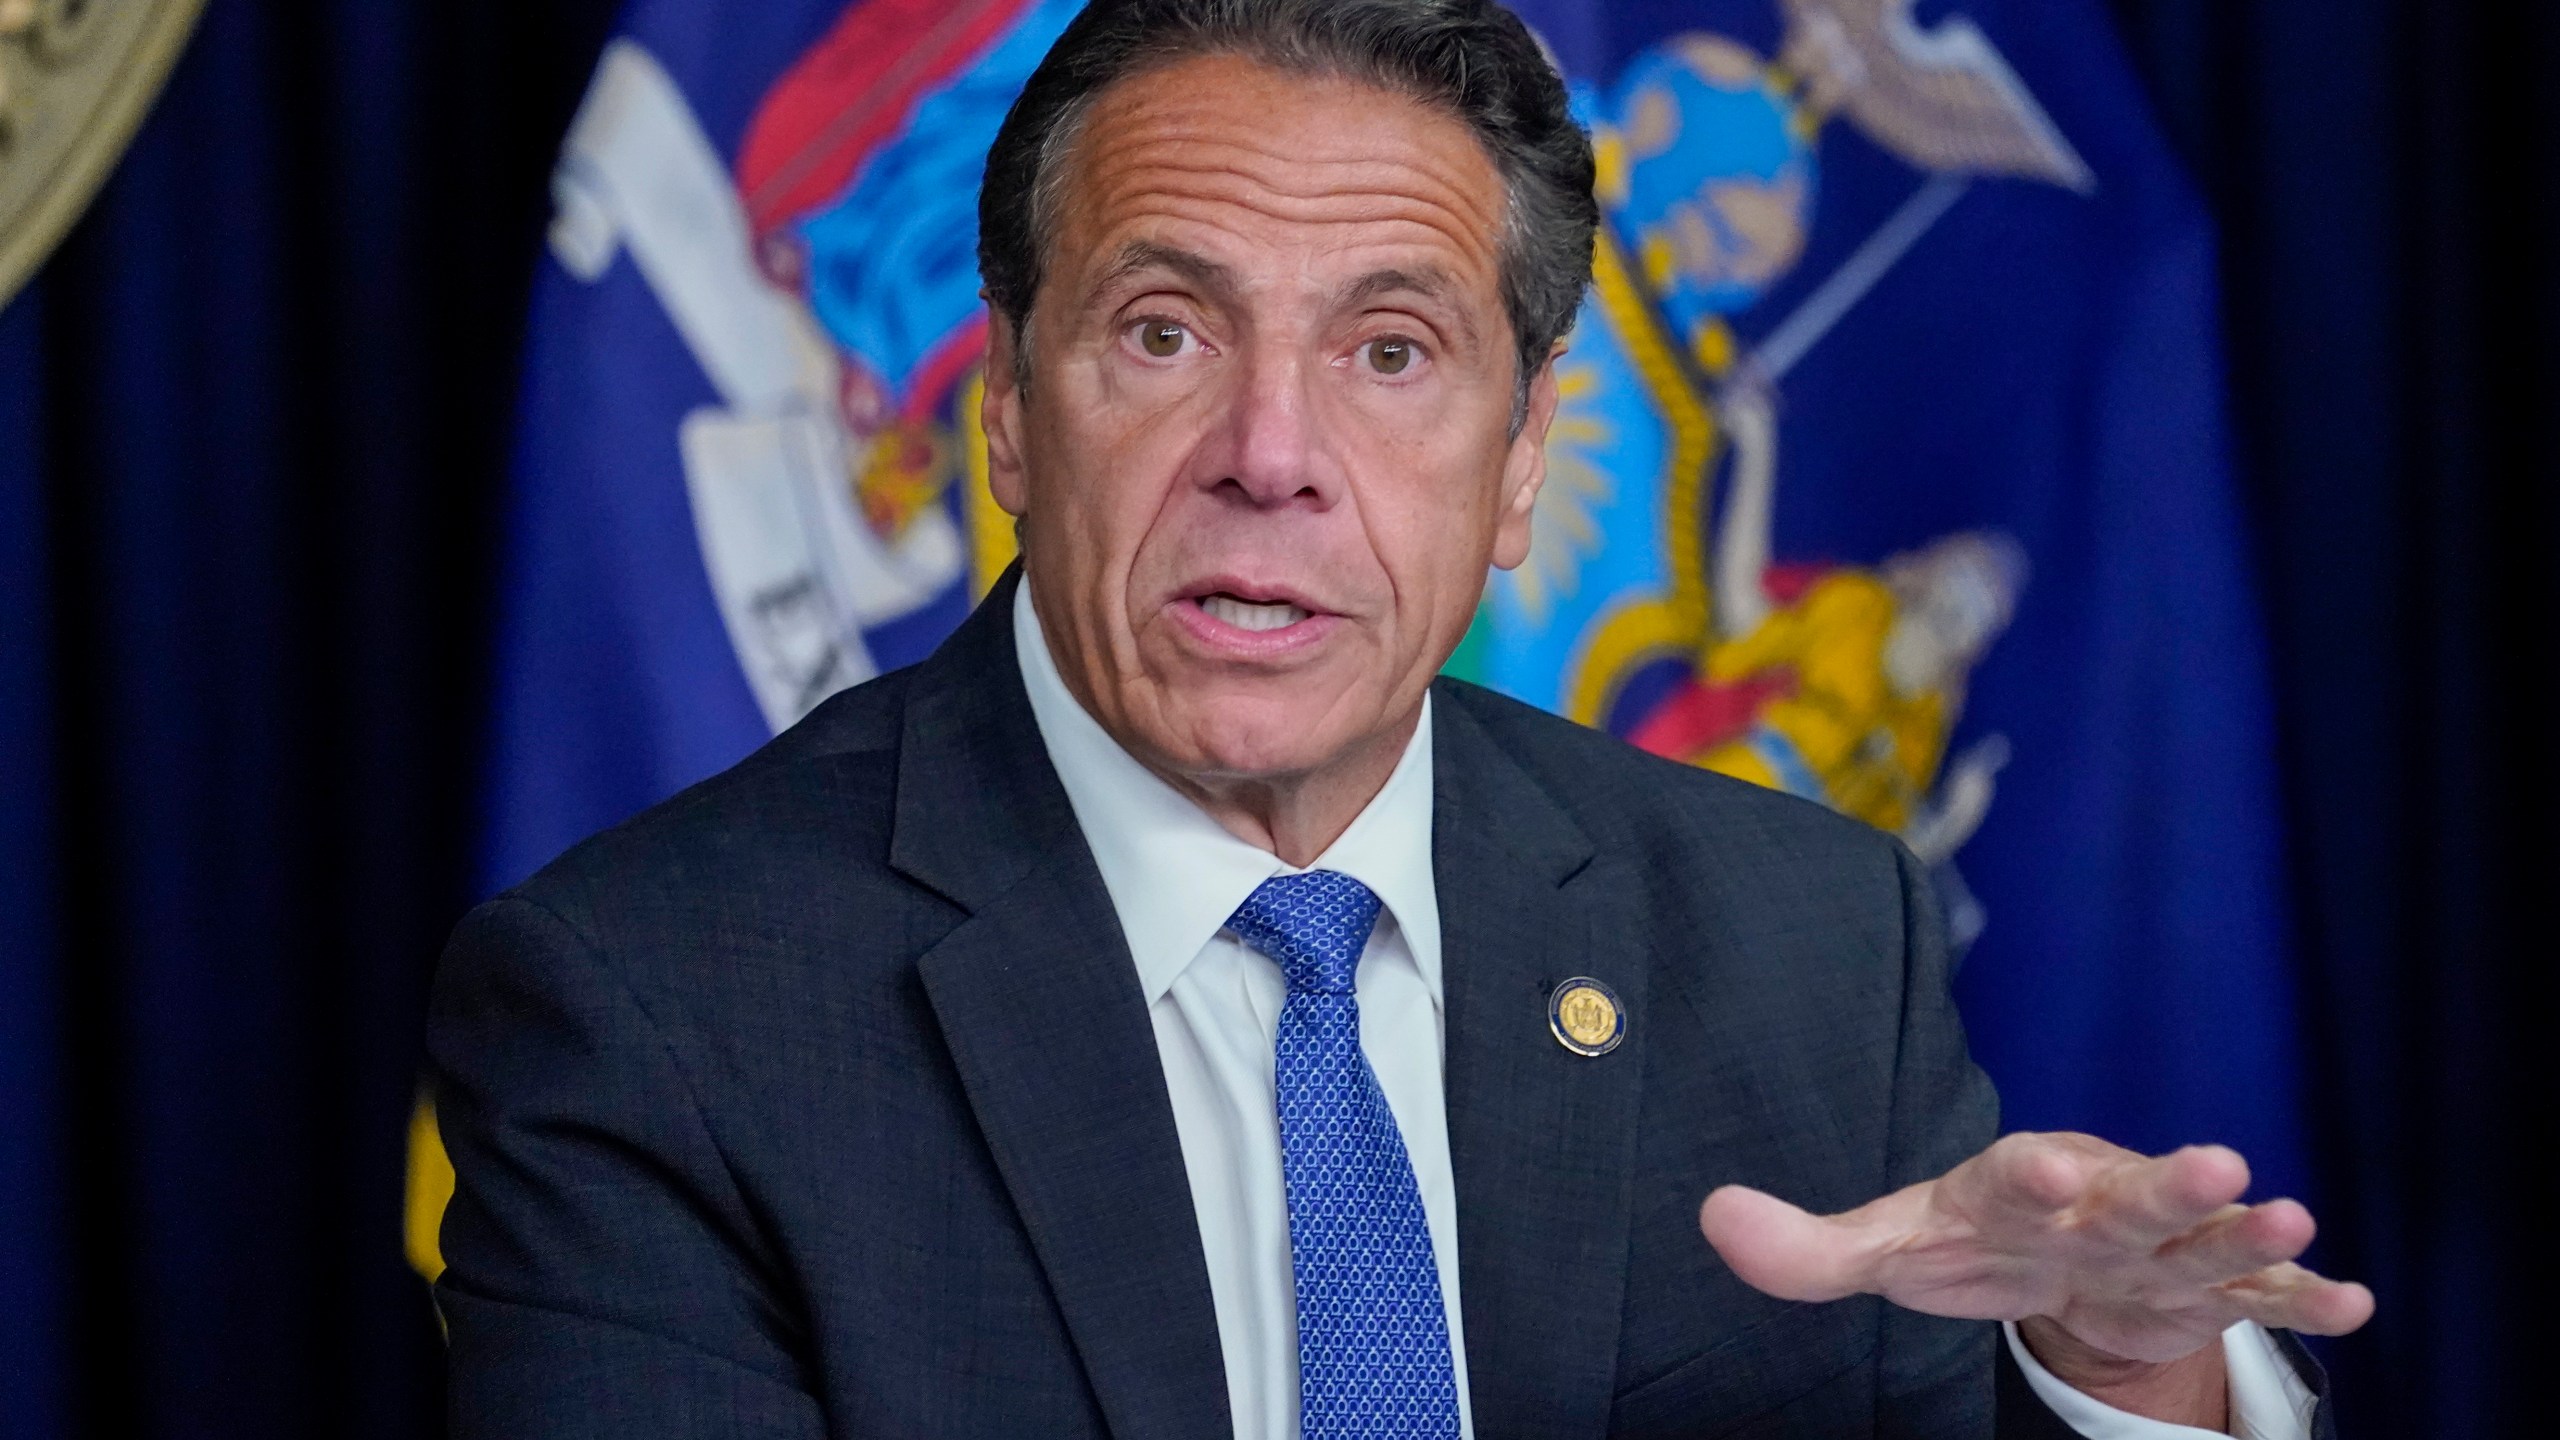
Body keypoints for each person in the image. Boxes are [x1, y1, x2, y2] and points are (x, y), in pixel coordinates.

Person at [428, 2, 2372, 1435]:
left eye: (1389, 351)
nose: (1270, 456)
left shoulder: (1796, 944)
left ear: (1522, 464)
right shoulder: (650, 1005)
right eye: (1166, 330)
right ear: (1008, 408)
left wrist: (2122, 1379)